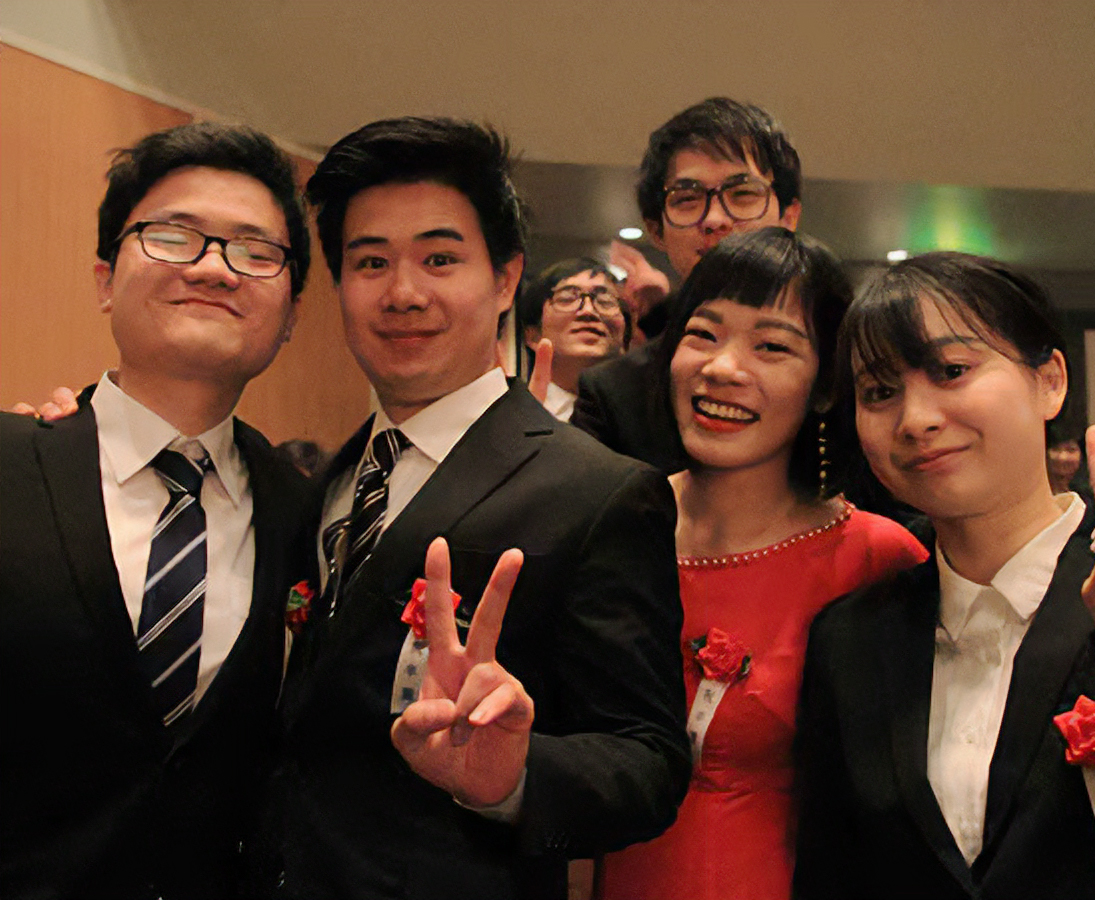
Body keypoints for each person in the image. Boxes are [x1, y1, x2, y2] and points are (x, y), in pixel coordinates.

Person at [255, 117, 690, 900]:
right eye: (370, 262)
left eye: (440, 258)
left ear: (505, 278)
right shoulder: (329, 483)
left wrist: (513, 777)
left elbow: (648, 761)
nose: (403, 293)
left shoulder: (596, 492)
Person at [794, 252, 1095, 899]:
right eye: (879, 392)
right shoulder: (849, 639)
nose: (916, 419)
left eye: (952, 370)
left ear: (1050, 381)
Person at [0, 123, 312, 899]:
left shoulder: (309, 515)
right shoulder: (11, 463)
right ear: (106, 280)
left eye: (255, 250)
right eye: (173, 237)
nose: (213, 267)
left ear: (290, 314)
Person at [596, 228, 926, 900]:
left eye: (772, 346)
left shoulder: (876, 558)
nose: (723, 368)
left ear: (826, 386)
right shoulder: (608, 527)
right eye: (703, 334)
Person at [572, 97, 803, 473]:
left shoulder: (843, 365)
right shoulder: (615, 394)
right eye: (687, 199)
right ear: (656, 230)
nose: (715, 219)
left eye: (743, 194)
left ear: (789, 217)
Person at [518, 258, 630, 421]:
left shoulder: (646, 416)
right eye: (567, 299)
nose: (588, 311)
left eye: (605, 300)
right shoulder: (514, 416)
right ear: (534, 335)